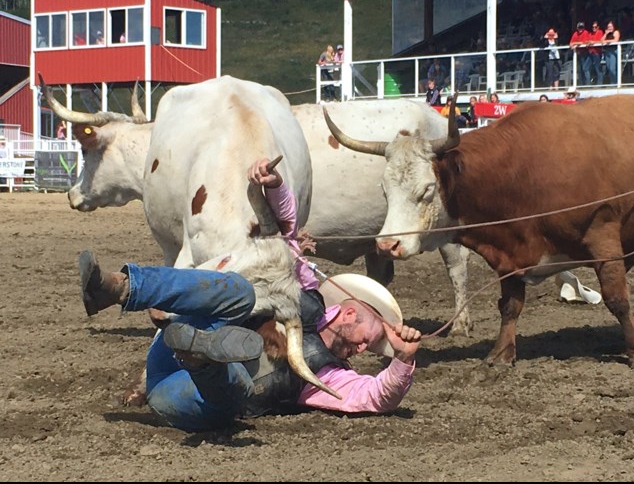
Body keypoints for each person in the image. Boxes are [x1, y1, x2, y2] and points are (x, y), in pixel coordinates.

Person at [78, 158, 424, 431]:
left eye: (368, 349)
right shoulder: (305, 290)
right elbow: (282, 237)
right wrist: (272, 187)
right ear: (350, 313)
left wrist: (403, 359)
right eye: (368, 338)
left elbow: (375, 397)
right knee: (243, 292)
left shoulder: (330, 376)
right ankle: (122, 288)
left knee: (236, 387)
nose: (362, 350)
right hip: (166, 350)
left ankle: (202, 357)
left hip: (184, 396)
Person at [569, 22, 592, 86]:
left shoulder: (586, 32)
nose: (580, 29)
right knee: (580, 69)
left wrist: (576, 44)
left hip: (588, 53)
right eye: (579, 28)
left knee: (585, 68)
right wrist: (576, 44)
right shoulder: (575, 34)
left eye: (582, 27)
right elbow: (571, 44)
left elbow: (586, 42)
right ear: (577, 28)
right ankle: (582, 84)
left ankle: (588, 84)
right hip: (580, 54)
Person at [600, 20, 621, 85]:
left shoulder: (616, 32)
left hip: (613, 51)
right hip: (607, 51)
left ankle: (614, 83)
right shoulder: (606, 34)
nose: (610, 28)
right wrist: (606, 34)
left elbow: (616, 40)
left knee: (613, 68)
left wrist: (608, 41)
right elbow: (601, 41)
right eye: (608, 27)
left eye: (611, 26)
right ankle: (612, 81)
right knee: (609, 68)